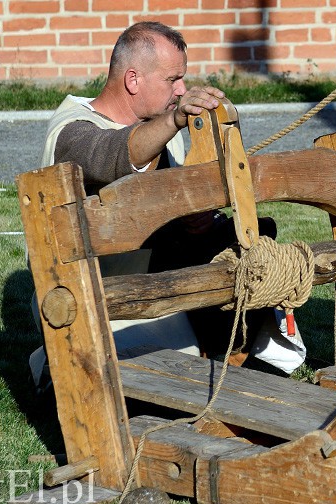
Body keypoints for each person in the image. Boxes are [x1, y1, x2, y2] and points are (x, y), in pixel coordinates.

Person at [30, 22, 305, 387]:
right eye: (172, 80)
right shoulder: (73, 130)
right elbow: (111, 155)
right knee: (160, 379)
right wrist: (175, 119)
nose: (181, 90)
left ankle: (232, 362)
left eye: (182, 79)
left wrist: (198, 221)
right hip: (93, 291)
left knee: (250, 263)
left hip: (160, 276)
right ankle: (58, 368)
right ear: (133, 80)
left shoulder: (161, 130)